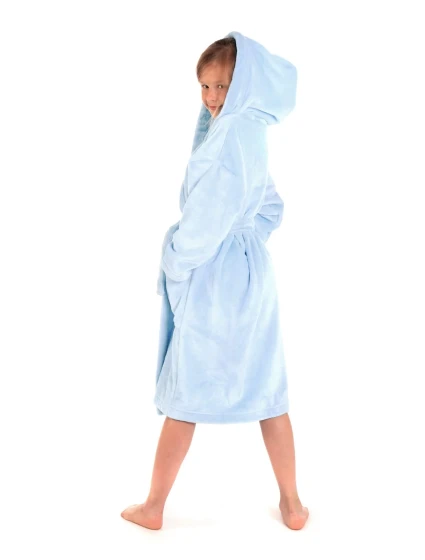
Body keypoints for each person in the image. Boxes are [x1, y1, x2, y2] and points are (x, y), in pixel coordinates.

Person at [121, 31, 309, 531]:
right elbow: (270, 204)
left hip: (214, 277)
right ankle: (292, 504)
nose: (211, 97)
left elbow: (205, 222)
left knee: (187, 388)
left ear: (242, 83)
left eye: (222, 85)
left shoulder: (228, 138)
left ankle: (154, 508)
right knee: (268, 386)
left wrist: (177, 260)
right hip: (252, 275)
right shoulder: (250, 129)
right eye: (204, 86)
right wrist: (247, 241)